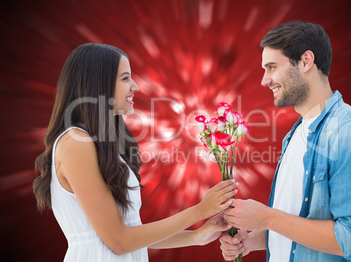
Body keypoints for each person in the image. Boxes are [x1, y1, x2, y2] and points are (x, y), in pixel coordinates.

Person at [33, 43, 239, 261]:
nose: (135, 87)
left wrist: (196, 236)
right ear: (97, 84)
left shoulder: (102, 145)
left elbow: (131, 230)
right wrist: (200, 211)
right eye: (125, 78)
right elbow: (119, 241)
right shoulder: (75, 142)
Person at [220, 20, 351, 261]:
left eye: (272, 67)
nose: (264, 80)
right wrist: (252, 240)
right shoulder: (295, 134)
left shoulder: (350, 133)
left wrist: (266, 217)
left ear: (306, 61)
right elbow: (301, 221)